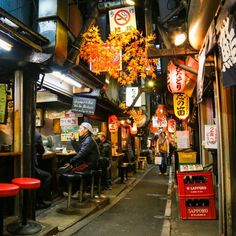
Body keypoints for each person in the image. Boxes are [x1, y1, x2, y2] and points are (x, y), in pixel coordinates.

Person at [61, 122, 100, 197]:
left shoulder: (88, 140)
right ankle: (80, 190)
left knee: (72, 171)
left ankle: (77, 192)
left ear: (86, 130)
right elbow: (79, 151)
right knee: (72, 169)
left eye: (80, 128)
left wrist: (70, 162)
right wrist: (73, 140)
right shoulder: (86, 139)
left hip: (90, 164)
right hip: (88, 163)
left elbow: (81, 154)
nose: (78, 130)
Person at [34, 132, 52, 209]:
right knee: (48, 176)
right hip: (31, 167)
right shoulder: (36, 135)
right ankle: (40, 201)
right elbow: (41, 151)